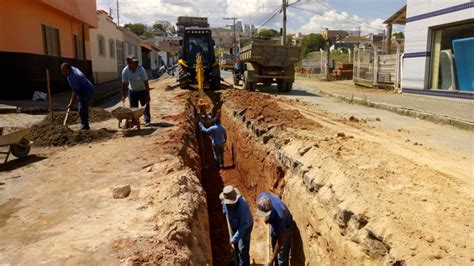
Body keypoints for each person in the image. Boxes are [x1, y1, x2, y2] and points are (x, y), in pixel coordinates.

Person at [256, 192, 293, 266]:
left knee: (281, 258)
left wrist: (271, 259)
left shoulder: (280, 217)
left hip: (285, 228)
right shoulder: (261, 196)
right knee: (273, 244)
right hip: (275, 223)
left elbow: (280, 240)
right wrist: (267, 218)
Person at [220, 185, 254, 266]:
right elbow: (224, 209)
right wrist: (225, 211)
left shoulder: (243, 207)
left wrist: (233, 239)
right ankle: (237, 262)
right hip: (234, 224)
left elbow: (243, 226)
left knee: (242, 250)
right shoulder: (225, 201)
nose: (228, 205)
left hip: (245, 227)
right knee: (235, 247)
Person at [60, 63, 94, 130]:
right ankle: (85, 125)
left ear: (69, 68)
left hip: (86, 90)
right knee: (81, 106)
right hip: (82, 89)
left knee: (82, 108)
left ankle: (84, 127)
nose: (63, 73)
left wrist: (71, 104)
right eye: (62, 71)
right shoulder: (71, 69)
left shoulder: (74, 77)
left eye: (64, 71)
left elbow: (75, 92)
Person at [121, 56, 151, 126]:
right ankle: (135, 121)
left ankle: (147, 120)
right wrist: (123, 95)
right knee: (133, 108)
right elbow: (124, 84)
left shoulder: (141, 70)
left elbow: (146, 82)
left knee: (145, 106)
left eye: (136, 62)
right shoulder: (125, 71)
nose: (136, 63)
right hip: (132, 91)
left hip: (142, 90)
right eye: (133, 62)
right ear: (129, 63)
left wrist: (148, 95)